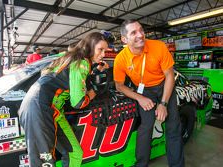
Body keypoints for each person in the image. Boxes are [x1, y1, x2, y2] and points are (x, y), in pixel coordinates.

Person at [18, 32, 109, 167]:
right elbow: (78, 102)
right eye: (100, 50)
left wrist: (94, 72)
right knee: (44, 162)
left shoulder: (69, 56)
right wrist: (95, 90)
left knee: (75, 153)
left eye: (105, 50)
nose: (103, 54)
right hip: (40, 109)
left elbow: (70, 79)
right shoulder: (82, 62)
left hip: (49, 108)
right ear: (89, 47)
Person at [113, 19, 184, 167]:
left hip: (164, 84)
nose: (140, 35)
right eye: (134, 32)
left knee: (173, 127)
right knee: (146, 126)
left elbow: (170, 75)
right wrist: (140, 98)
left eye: (141, 30)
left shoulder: (159, 46)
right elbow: (119, 86)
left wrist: (163, 103)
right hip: (144, 90)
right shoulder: (120, 59)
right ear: (124, 39)